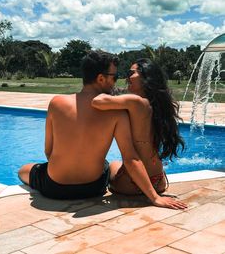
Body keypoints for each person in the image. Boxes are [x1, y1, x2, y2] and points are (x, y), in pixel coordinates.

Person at [18, 51, 187, 209]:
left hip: (55, 187)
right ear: (100, 79)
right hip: (94, 188)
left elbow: (48, 151)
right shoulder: (119, 112)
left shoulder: (56, 103)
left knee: (23, 170)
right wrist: (155, 198)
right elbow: (131, 157)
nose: (119, 81)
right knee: (107, 164)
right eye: (116, 77)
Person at [92, 58, 185, 196]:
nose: (127, 77)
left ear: (145, 76)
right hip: (158, 181)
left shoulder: (135, 102)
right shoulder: (158, 105)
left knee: (109, 165)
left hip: (131, 183)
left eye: (131, 73)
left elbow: (97, 102)